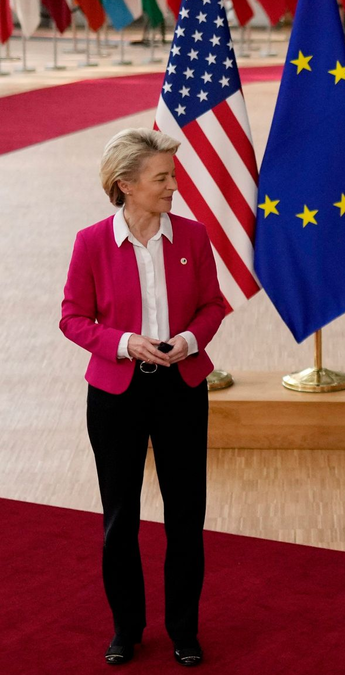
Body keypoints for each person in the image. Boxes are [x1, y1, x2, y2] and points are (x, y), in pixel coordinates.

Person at [60, 128, 225, 667]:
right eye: (163, 178)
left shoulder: (195, 238)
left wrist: (189, 340)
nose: (174, 186)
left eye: (172, 175)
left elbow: (213, 306)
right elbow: (73, 318)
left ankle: (184, 629)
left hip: (181, 389)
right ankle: (126, 630)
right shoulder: (90, 243)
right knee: (119, 519)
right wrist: (124, 343)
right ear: (126, 185)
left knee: (185, 516)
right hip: (115, 395)